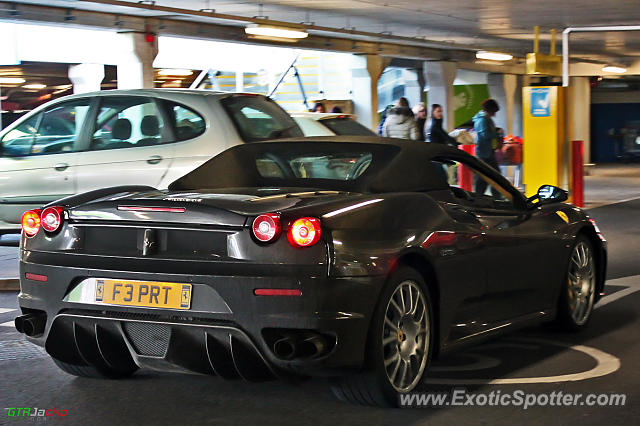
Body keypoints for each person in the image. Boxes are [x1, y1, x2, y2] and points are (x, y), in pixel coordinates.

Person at [472, 98, 501, 195]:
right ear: (490, 110)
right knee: (493, 176)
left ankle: (480, 197)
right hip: (484, 154)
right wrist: (497, 134)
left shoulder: (486, 119)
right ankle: (495, 196)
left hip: (487, 152)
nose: (495, 114)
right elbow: (485, 135)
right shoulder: (482, 120)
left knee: (486, 177)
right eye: (494, 111)